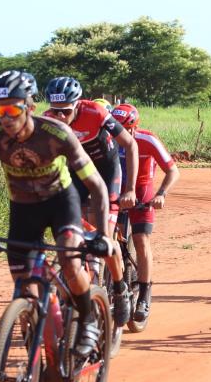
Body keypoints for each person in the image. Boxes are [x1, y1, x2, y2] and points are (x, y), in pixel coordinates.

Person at [0, 70, 114, 357]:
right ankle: (41, 359)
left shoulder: (57, 133)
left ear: (30, 107)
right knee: (26, 289)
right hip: (23, 209)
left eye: (12, 109)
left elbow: (95, 184)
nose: (5, 118)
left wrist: (104, 236)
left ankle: (88, 320)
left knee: (70, 263)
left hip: (61, 202)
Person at [43, 77, 139, 326]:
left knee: (104, 236)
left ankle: (120, 288)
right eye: (55, 110)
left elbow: (129, 145)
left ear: (77, 105)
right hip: (76, 173)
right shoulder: (48, 119)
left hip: (106, 172)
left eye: (65, 111)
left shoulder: (95, 112)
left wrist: (129, 189)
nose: (60, 116)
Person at [111, 103, 180, 321]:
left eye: (123, 129)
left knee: (141, 239)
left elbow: (172, 170)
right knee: (109, 237)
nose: (118, 134)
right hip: (116, 187)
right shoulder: (106, 139)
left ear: (133, 127)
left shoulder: (147, 140)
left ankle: (144, 293)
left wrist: (161, 194)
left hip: (141, 190)